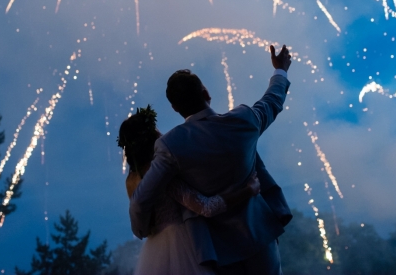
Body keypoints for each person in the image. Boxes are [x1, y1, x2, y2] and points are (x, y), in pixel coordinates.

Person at [130, 44, 292, 275]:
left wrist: (142, 230)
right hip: (259, 234)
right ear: (206, 93)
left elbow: (141, 200)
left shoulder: (171, 145)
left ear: (175, 108)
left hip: (216, 250)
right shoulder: (244, 119)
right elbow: (273, 100)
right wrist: (280, 69)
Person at [118, 106, 261, 275]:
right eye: (155, 129)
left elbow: (142, 223)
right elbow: (206, 207)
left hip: (154, 249)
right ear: (151, 136)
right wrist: (248, 190)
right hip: (184, 244)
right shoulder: (160, 174)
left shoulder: (133, 180)